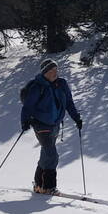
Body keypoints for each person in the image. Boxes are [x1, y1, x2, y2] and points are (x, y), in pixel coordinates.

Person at [20, 59, 82, 194]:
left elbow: (69, 103)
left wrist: (76, 118)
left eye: (56, 70)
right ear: (44, 73)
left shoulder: (61, 84)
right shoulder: (38, 87)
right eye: (51, 71)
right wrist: (24, 121)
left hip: (55, 124)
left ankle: (38, 185)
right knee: (52, 155)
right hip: (41, 125)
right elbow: (28, 106)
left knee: (46, 155)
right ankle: (48, 187)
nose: (55, 73)